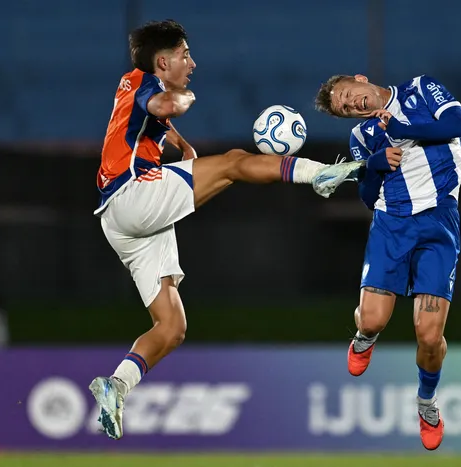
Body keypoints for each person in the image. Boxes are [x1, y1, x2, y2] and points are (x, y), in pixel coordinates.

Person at [89, 19, 364, 440]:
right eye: (184, 55)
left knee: (172, 327)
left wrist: (179, 143)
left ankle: (116, 386)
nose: (192, 63)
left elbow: (151, 119)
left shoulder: (134, 87)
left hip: (120, 221)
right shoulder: (145, 81)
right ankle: (322, 173)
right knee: (235, 161)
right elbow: (162, 107)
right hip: (134, 194)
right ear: (162, 62)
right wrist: (181, 99)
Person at [314, 73, 461, 450]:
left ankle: (427, 402)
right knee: (372, 319)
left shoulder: (420, 89)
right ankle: (364, 338)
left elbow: (459, 125)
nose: (353, 105)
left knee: (430, 335)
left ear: (361, 79)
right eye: (345, 108)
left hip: (439, 222)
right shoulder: (363, 138)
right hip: (391, 224)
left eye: (350, 95)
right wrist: (375, 165)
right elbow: (368, 196)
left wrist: (402, 127)